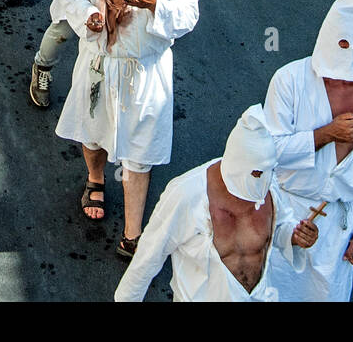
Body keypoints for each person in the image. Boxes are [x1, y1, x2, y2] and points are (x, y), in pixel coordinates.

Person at [55, 0, 199, 257]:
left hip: (144, 72)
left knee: (140, 151)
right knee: (92, 129)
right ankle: (96, 179)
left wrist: (154, 3)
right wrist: (88, 13)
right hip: (101, 64)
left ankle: (133, 233)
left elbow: (190, 13)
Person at [115, 104, 319, 302]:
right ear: (238, 164)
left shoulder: (269, 186)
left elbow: (279, 228)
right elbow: (148, 257)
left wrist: (296, 236)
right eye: (257, 174)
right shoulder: (186, 194)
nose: (264, 180)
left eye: (269, 171)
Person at [263, 0, 353, 302]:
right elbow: (268, 153)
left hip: (337, 229)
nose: (343, 78)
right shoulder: (289, 81)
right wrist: (328, 134)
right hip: (287, 215)